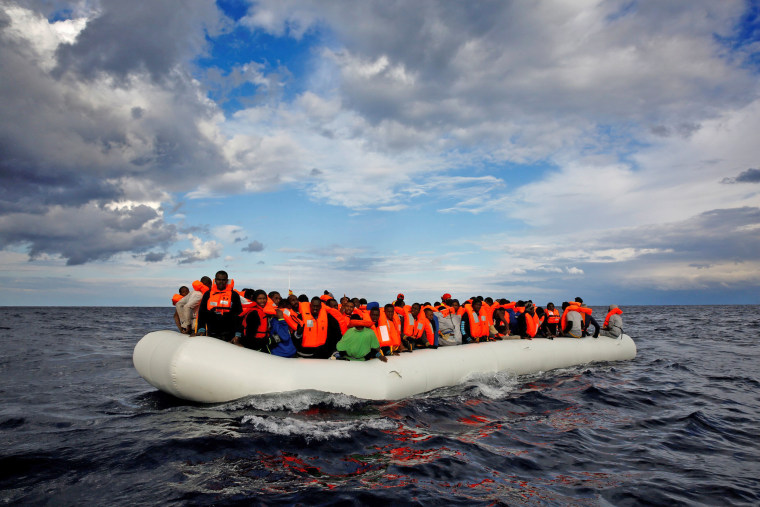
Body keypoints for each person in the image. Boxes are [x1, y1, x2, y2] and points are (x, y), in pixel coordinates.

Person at [196, 271, 243, 342]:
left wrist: (238, 334)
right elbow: (202, 313)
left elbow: (239, 315)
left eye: (223, 280)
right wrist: (201, 329)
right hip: (212, 332)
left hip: (229, 334)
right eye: (219, 279)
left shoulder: (234, 295)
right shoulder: (207, 294)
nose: (221, 282)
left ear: (227, 281)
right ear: (215, 280)